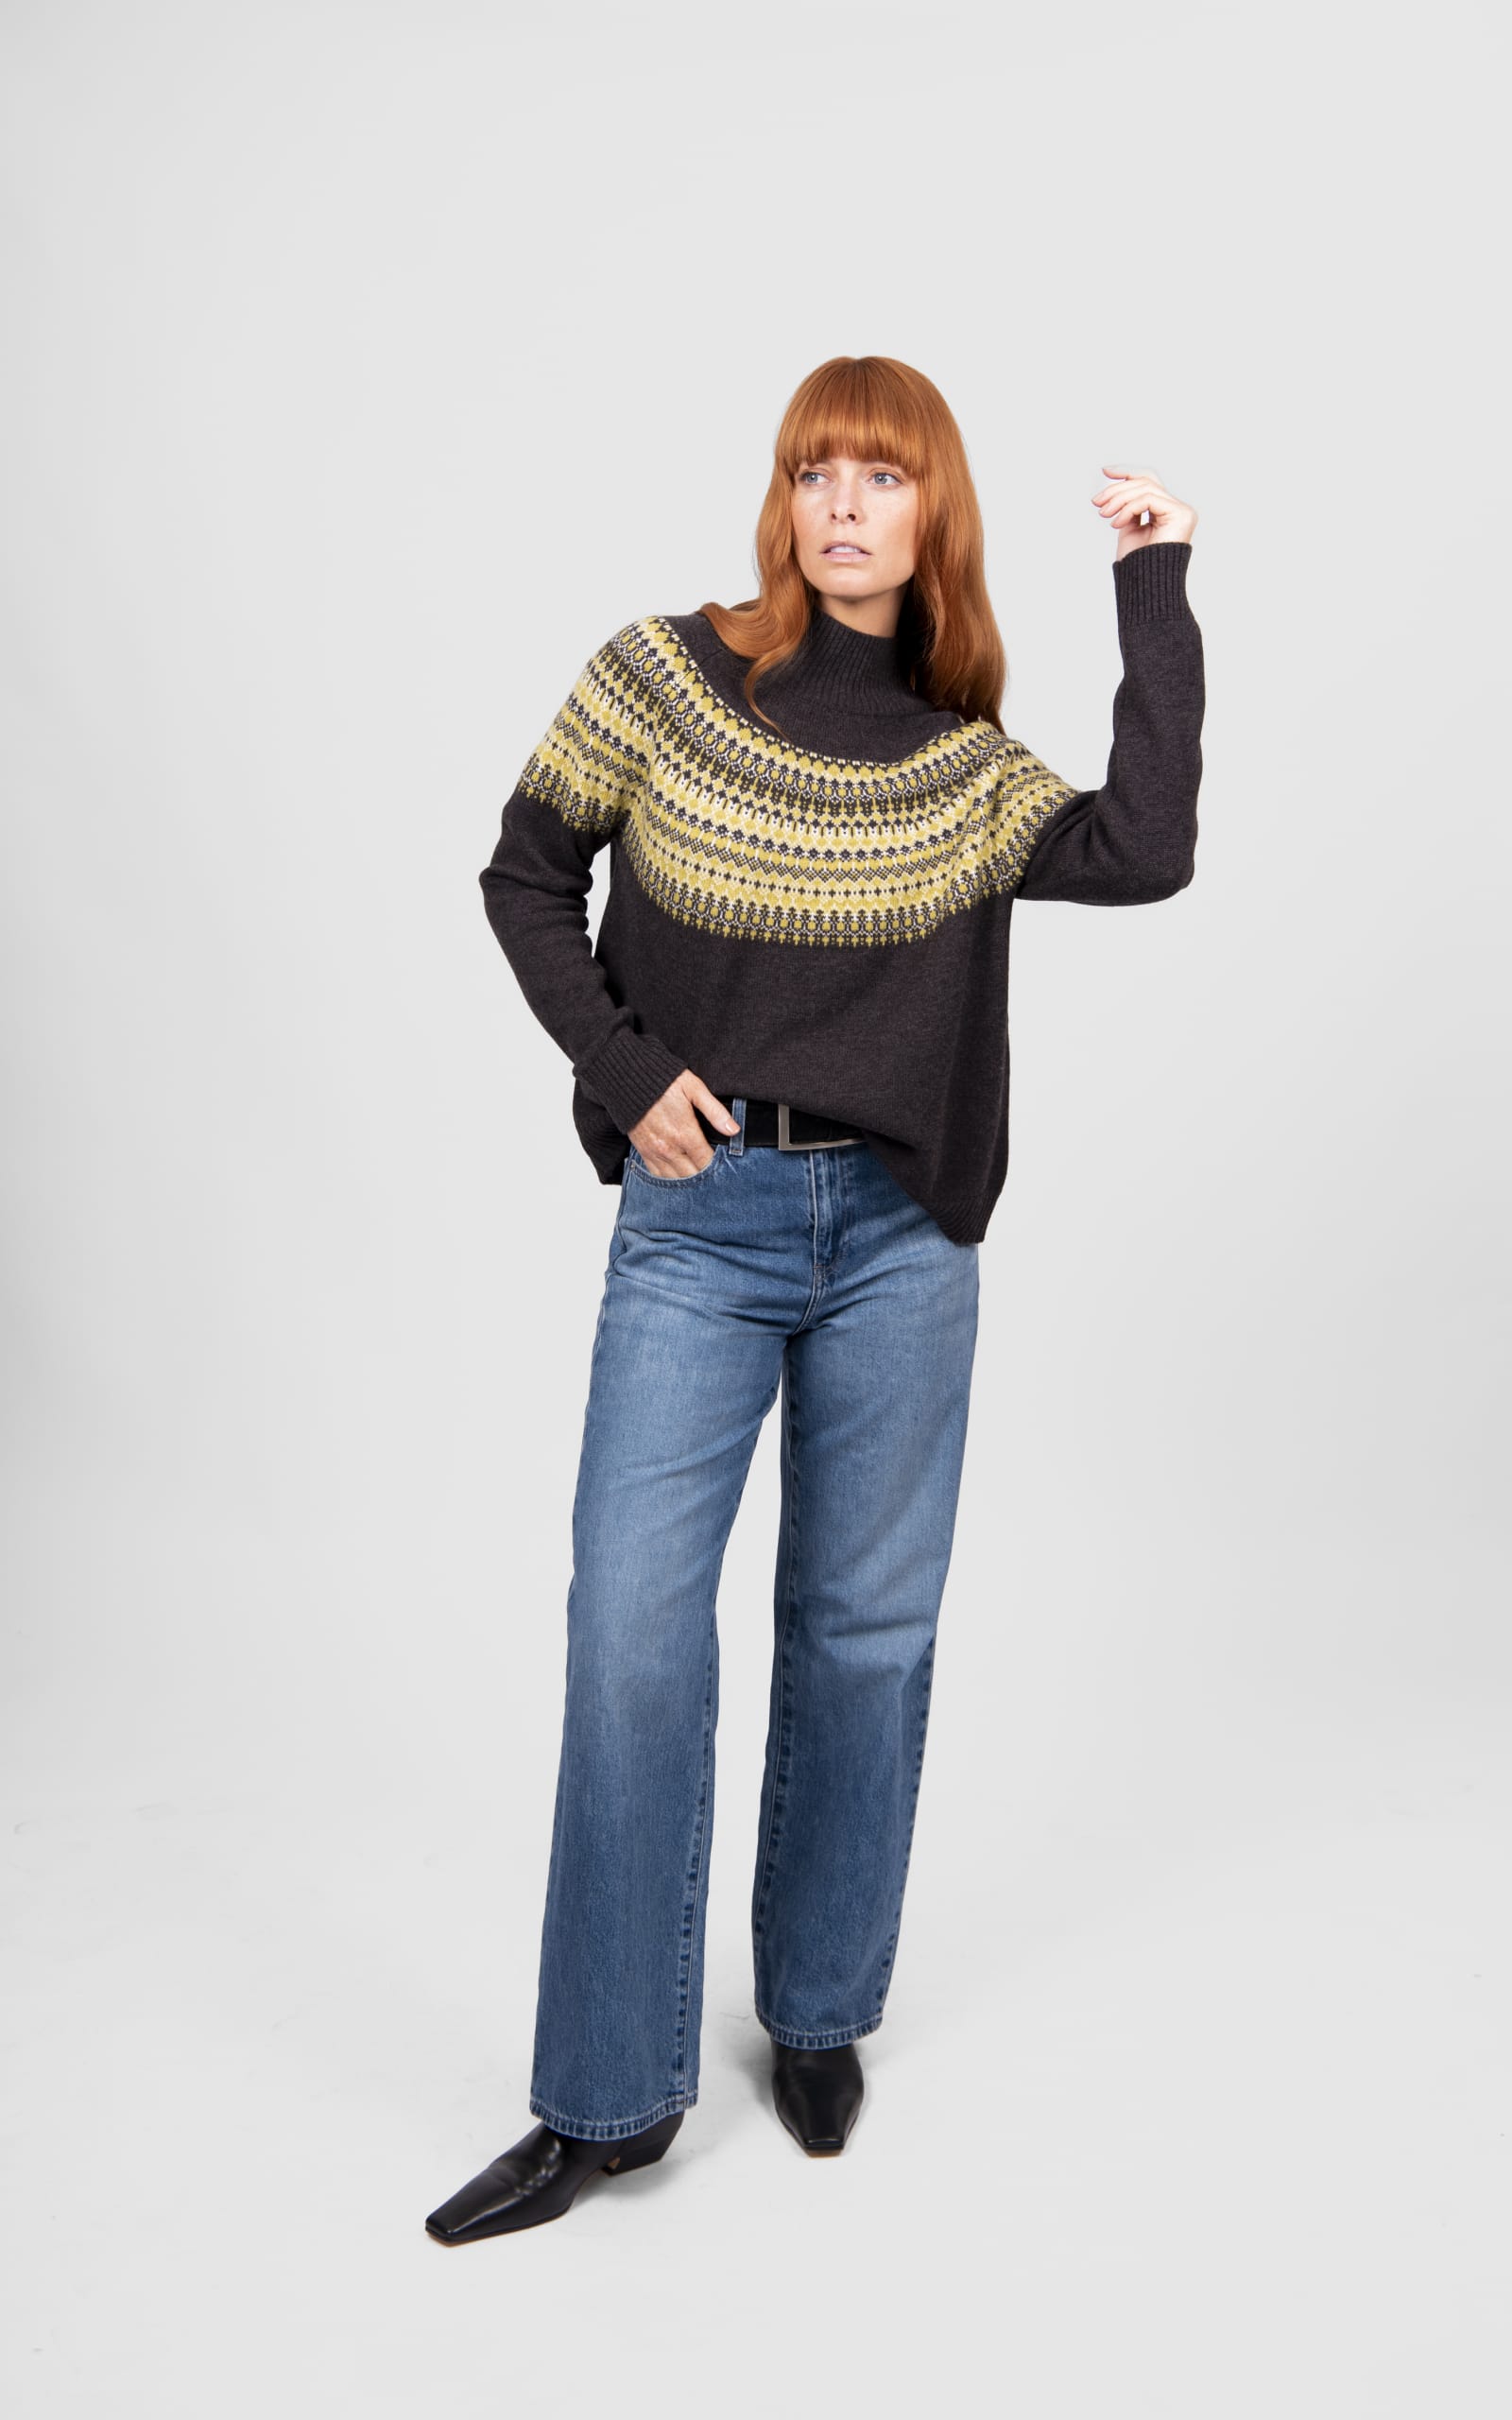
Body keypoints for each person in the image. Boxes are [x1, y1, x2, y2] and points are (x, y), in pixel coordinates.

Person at [425, 355, 1205, 2243]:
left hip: (901, 1240)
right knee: (632, 1631)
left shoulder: (959, 767)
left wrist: (1154, 581)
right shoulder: (662, 678)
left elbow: (1148, 847)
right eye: (812, 473)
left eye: (881, 476)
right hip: (702, 1223)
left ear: (934, 514)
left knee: (863, 1633)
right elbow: (524, 873)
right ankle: (605, 2097)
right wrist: (627, 1073)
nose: (842, 506)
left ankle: (820, 2008)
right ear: (781, 501)